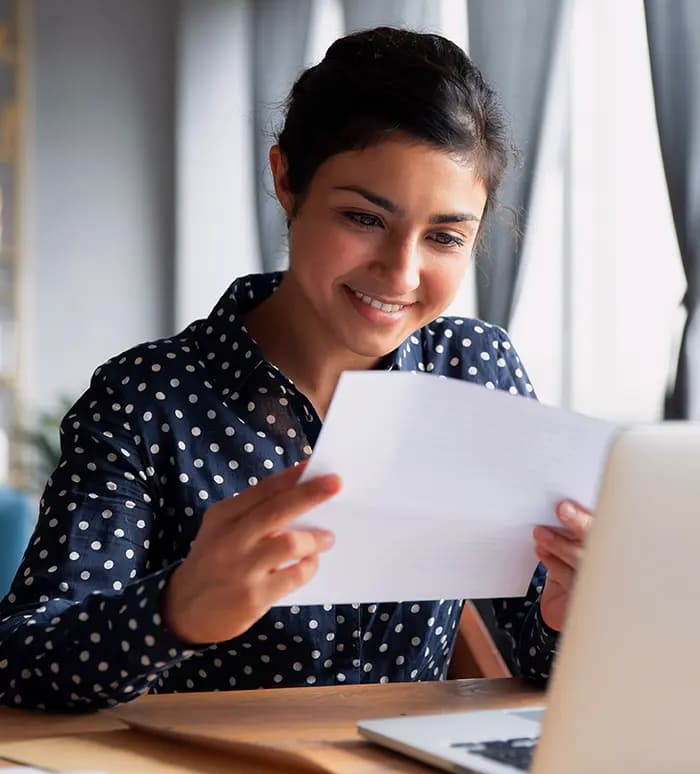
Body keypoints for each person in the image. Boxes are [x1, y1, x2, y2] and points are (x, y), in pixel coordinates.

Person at [0, 26, 592, 712]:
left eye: (444, 236)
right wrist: (174, 610)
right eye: (364, 217)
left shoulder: (476, 369)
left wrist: (569, 614)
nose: (400, 272)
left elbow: (541, 660)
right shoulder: (146, 397)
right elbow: (19, 657)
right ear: (287, 181)